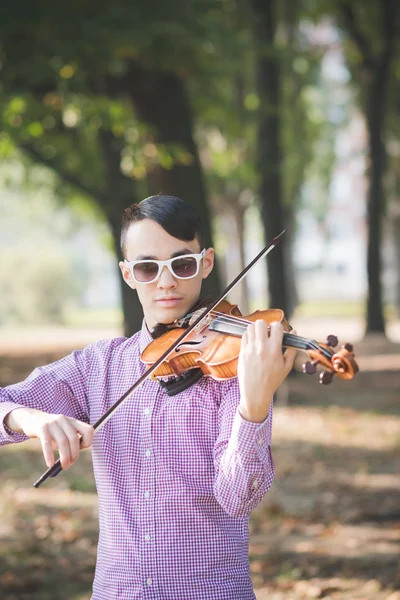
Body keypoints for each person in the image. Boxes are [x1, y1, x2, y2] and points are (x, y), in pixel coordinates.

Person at [0, 195, 296, 600]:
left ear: (206, 263)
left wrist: (254, 404)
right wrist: (29, 419)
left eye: (182, 263)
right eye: (147, 267)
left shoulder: (234, 370)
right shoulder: (98, 366)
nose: (166, 281)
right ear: (127, 274)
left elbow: (239, 497)